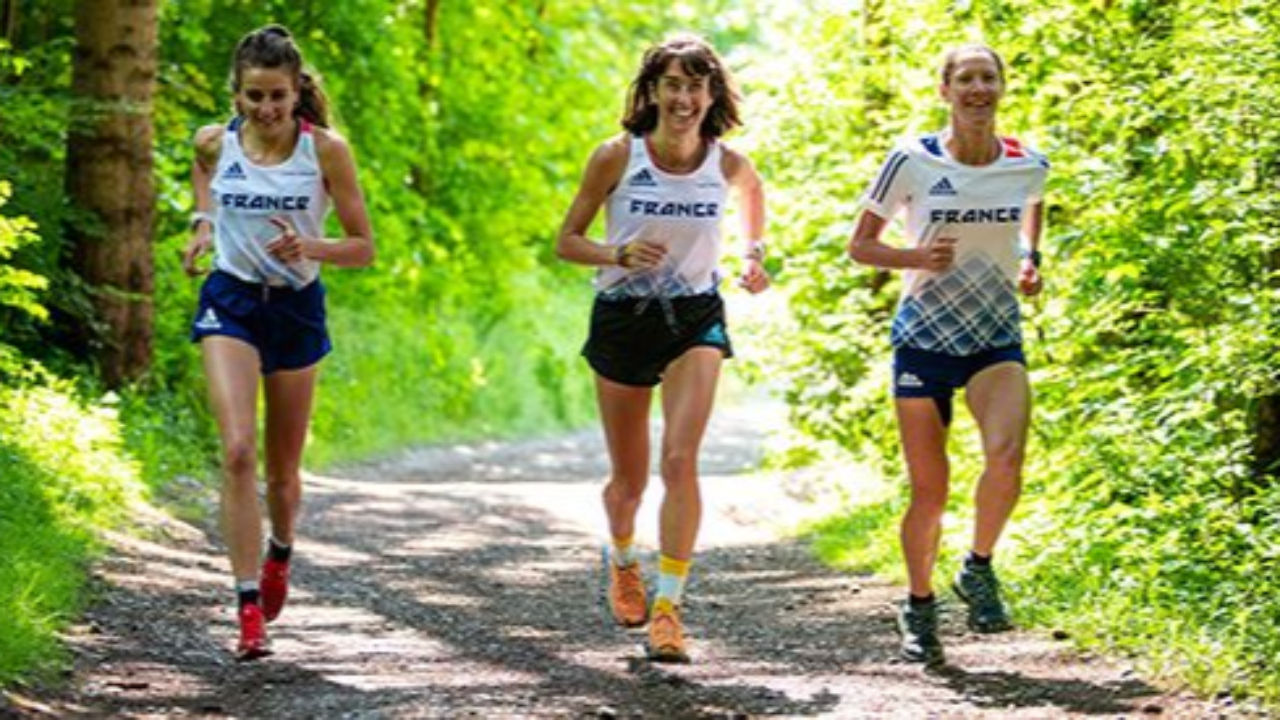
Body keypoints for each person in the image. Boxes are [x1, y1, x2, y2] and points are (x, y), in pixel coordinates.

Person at [555, 34, 770, 664]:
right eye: (672, 85)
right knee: (628, 480)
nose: (683, 98)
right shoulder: (617, 156)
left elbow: (753, 195)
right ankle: (623, 560)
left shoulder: (726, 163)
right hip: (623, 316)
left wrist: (753, 256)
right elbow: (567, 240)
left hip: (695, 318)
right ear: (652, 92)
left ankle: (670, 610)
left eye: (695, 86)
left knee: (679, 460)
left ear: (712, 94)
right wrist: (614, 252)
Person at [847, 44, 1048, 665]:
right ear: (946, 90)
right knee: (930, 491)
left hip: (994, 337)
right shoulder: (910, 160)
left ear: (1002, 88)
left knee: (1008, 456)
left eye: (989, 77)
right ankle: (918, 602)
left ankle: (979, 567)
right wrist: (915, 258)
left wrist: (1029, 258)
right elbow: (860, 247)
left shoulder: (1028, 163)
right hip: (924, 341)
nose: (978, 88)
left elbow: (1031, 211)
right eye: (966, 79)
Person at [181, 24, 374, 661]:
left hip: (294, 307)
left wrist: (309, 246)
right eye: (254, 96)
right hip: (230, 301)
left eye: (278, 98)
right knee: (237, 451)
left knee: (283, 473)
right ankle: (246, 610)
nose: (266, 110)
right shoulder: (215, 141)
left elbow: (362, 247)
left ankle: (280, 551)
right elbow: (203, 173)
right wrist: (203, 224)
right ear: (236, 94)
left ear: (298, 94)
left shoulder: (326, 152)